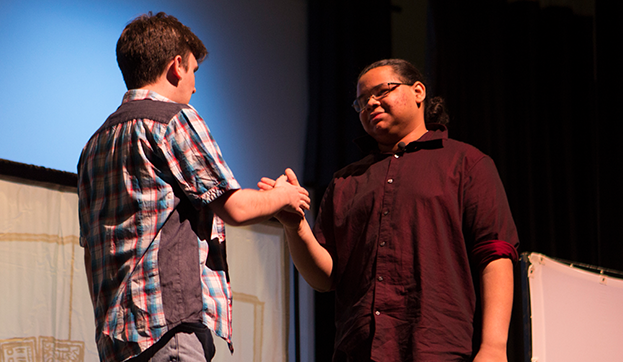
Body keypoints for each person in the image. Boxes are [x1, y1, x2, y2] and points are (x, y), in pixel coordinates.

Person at [77, 12, 310, 362]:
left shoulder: (94, 144)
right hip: (167, 327)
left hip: (118, 339)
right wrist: (285, 196)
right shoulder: (174, 118)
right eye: (193, 72)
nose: (195, 86)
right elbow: (235, 208)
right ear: (176, 66)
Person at [260, 59, 519, 361]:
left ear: (418, 91)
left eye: (382, 91)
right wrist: (296, 226)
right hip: (357, 352)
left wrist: (494, 346)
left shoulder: (466, 163)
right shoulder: (346, 181)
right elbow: (324, 278)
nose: (370, 103)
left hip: (436, 349)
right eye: (361, 101)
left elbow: (496, 253)